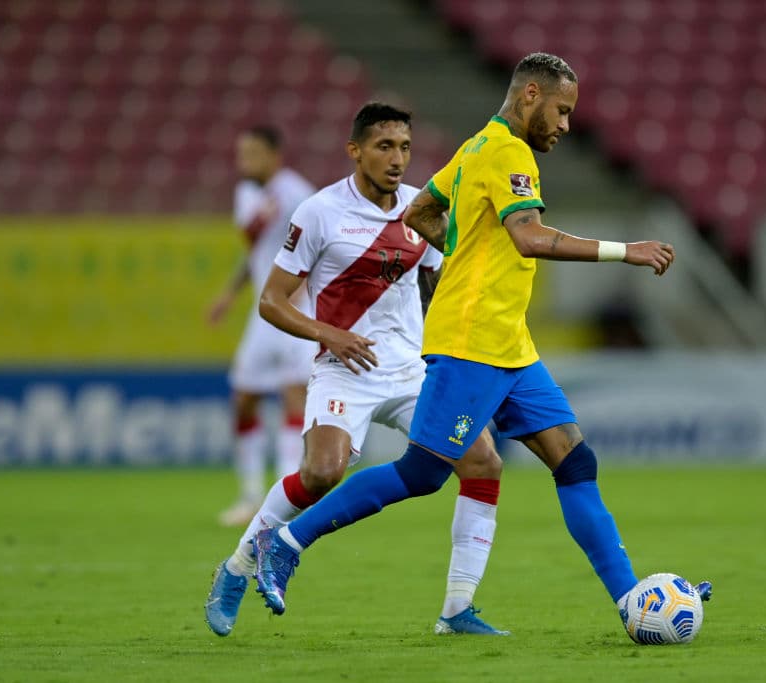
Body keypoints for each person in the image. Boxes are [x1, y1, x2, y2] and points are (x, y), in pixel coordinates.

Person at [250, 54, 711, 638]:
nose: (566, 125)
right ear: (530, 96)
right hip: (472, 342)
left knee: (574, 461)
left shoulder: (472, 149)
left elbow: (419, 211)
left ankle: (631, 603)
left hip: (510, 344)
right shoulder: (506, 153)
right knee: (422, 473)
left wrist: (466, 254)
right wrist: (628, 250)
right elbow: (529, 237)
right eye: (561, 111)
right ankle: (287, 541)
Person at [205, 102, 508, 638]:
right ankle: (236, 567)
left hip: (413, 371)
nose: (397, 159)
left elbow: (435, 289)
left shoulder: (423, 207)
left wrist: (457, 358)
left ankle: (458, 608)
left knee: (482, 460)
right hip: (344, 369)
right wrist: (331, 335)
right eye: (384, 147)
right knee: (323, 472)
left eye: (405, 148)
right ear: (356, 151)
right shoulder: (319, 212)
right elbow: (272, 302)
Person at [208, 125, 318, 527]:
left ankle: (284, 497)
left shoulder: (297, 195)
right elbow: (256, 254)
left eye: (252, 153)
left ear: (275, 155)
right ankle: (251, 495)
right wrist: (228, 295)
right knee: (244, 399)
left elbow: (315, 251)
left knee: (294, 395)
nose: (244, 162)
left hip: (293, 310)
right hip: (261, 313)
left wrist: (306, 303)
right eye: (241, 153)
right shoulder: (246, 195)